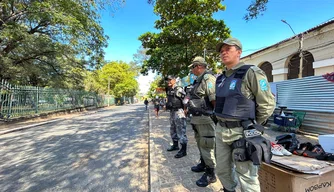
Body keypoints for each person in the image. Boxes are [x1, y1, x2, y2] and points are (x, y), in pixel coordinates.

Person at [214, 37, 275, 192]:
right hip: (220, 131)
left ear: (239, 52)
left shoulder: (251, 72)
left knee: (247, 176)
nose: (223, 53)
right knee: (222, 170)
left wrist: (254, 126)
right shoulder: (220, 78)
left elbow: (267, 103)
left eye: (228, 49)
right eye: (221, 51)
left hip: (242, 132)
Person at [187, 56, 217, 187]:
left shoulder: (208, 78)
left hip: (205, 119)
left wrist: (215, 117)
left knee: (207, 146)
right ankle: (204, 164)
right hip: (197, 119)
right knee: (200, 144)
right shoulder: (197, 81)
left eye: (193, 67)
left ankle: (211, 174)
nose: (192, 70)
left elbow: (214, 100)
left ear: (198, 66)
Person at [165, 75, 188, 158]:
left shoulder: (178, 89)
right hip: (172, 111)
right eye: (167, 80)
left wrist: (185, 109)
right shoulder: (170, 90)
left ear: (174, 80)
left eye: (170, 80)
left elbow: (186, 99)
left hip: (179, 111)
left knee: (181, 130)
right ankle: (175, 145)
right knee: (173, 129)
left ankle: (183, 150)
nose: (168, 81)